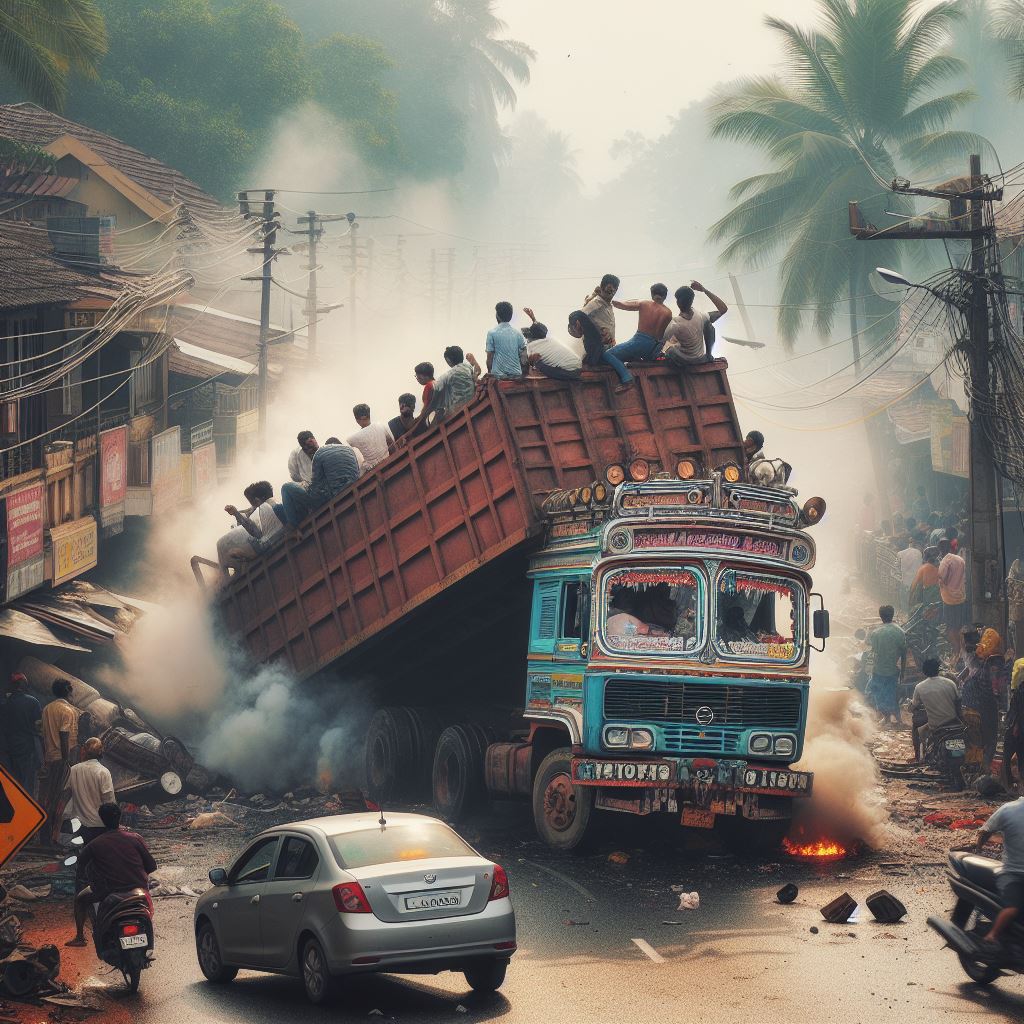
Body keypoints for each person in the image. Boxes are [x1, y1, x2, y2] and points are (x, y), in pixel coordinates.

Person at [67, 802, 156, 948]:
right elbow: (151, 866)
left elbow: (81, 870)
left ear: (102, 819)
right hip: (138, 890)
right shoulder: (135, 839)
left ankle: (80, 937)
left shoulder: (94, 845)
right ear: (120, 817)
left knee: (80, 899)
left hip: (108, 891)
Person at [973, 796, 1024, 956]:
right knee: (1012, 908)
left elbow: (985, 832)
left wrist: (979, 846)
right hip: (1013, 874)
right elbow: (986, 831)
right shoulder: (1009, 810)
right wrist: (978, 849)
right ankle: (992, 935)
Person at [600, 283, 674, 392]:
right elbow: (664, 335)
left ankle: (627, 379)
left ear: (652, 294)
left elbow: (622, 305)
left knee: (607, 354)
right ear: (665, 296)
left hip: (640, 342)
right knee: (630, 356)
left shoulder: (645, 303)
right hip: (654, 348)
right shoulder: (668, 313)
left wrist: (609, 299)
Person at [65, 737, 114, 891]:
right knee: (101, 860)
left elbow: (66, 792)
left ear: (84, 751)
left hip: (79, 825)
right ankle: (100, 891)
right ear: (100, 753)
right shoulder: (103, 772)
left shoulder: (74, 770)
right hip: (100, 825)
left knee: (82, 861)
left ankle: (81, 893)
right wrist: (114, 825)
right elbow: (109, 801)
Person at [280, 438, 361, 527]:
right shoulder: (349, 450)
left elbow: (316, 485)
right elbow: (357, 472)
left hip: (333, 497)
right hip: (353, 489)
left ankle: (294, 527)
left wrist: (307, 489)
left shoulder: (320, 453)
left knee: (286, 487)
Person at [39, 679, 79, 846]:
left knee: (46, 798)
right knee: (59, 799)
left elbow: (43, 735)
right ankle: (52, 839)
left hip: (49, 758)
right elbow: (64, 734)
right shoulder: (68, 710)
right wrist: (66, 759)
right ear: (67, 690)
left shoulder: (47, 708)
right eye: (71, 689)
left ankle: (44, 836)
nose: (73, 692)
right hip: (61, 759)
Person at [217, 481, 285, 573]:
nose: (253, 507)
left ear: (257, 501)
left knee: (222, 545)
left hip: (265, 548)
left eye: (253, 504)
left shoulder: (264, 508)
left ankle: (227, 581)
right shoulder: (274, 503)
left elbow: (256, 533)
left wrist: (236, 514)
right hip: (272, 544)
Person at [660, 281, 729, 370]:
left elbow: (661, 342)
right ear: (692, 300)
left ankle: (681, 368)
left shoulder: (675, 323)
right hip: (701, 359)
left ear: (677, 302)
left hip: (684, 361)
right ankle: (709, 355)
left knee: (670, 350)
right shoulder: (702, 316)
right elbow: (723, 309)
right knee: (709, 326)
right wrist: (705, 290)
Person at [0, 673, 41, 799]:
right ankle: (26, 811)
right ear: (23, 684)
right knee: (27, 782)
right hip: (27, 747)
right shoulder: (33, 702)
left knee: (11, 781)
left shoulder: (5, 704)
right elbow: (39, 726)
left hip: (8, 748)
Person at [911, 657, 962, 759]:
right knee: (959, 751)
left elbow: (913, 706)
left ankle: (918, 757)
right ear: (938, 669)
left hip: (936, 725)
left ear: (924, 672)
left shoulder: (920, 687)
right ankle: (957, 755)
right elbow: (958, 702)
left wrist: (911, 707)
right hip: (955, 723)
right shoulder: (950, 683)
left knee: (917, 729)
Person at [866, 605, 907, 727]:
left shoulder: (876, 633)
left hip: (878, 669)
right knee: (892, 693)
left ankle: (887, 718)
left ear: (880, 616)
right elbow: (904, 654)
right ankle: (898, 719)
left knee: (879, 693)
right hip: (893, 670)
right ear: (892, 615)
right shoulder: (900, 632)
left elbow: (872, 651)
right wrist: (903, 671)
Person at [522, 309, 582, 381]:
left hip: (570, 373)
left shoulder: (532, 347)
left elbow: (528, 362)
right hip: (578, 365)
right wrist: (533, 318)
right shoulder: (550, 339)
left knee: (538, 363)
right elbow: (540, 329)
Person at [430, 346, 482, 420]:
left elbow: (435, 387)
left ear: (448, 361)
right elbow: (477, 371)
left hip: (457, 411)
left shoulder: (449, 374)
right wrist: (474, 362)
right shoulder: (468, 367)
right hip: (472, 402)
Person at [938, 537, 968, 655]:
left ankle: (956, 652)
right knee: (959, 626)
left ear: (940, 549)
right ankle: (962, 652)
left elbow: (942, 580)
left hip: (948, 599)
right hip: (960, 597)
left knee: (950, 628)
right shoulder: (960, 559)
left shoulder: (945, 561)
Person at [485, 301, 527, 380]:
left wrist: (489, 372)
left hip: (499, 376)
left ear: (497, 315)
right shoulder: (518, 333)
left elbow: (489, 356)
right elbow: (524, 356)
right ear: (510, 316)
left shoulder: (492, 333)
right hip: (516, 374)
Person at [347, 405, 395, 471]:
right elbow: (391, 442)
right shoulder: (381, 425)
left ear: (356, 420)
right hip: (389, 462)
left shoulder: (353, 438)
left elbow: (348, 443)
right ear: (369, 415)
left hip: (373, 470)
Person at [581, 274, 620, 347]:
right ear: (602, 287)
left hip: (607, 348)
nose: (613, 292)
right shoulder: (595, 304)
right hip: (595, 349)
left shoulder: (609, 306)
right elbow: (578, 318)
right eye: (610, 289)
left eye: (615, 289)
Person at [897, 535, 923, 613]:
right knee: (914, 606)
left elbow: (898, 568)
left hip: (905, 582)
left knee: (904, 605)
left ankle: (905, 618)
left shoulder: (900, 554)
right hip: (916, 583)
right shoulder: (919, 553)